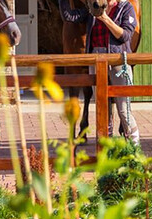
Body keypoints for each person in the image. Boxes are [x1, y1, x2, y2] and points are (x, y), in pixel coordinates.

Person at [59, 0, 140, 144]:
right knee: (102, 109)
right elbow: (70, 16)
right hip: (97, 62)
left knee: (123, 110)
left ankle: (135, 147)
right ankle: (105, 148)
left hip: (118, 61)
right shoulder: (93, 10)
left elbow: (125, 36)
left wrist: (104, 18)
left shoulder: (125, 8)